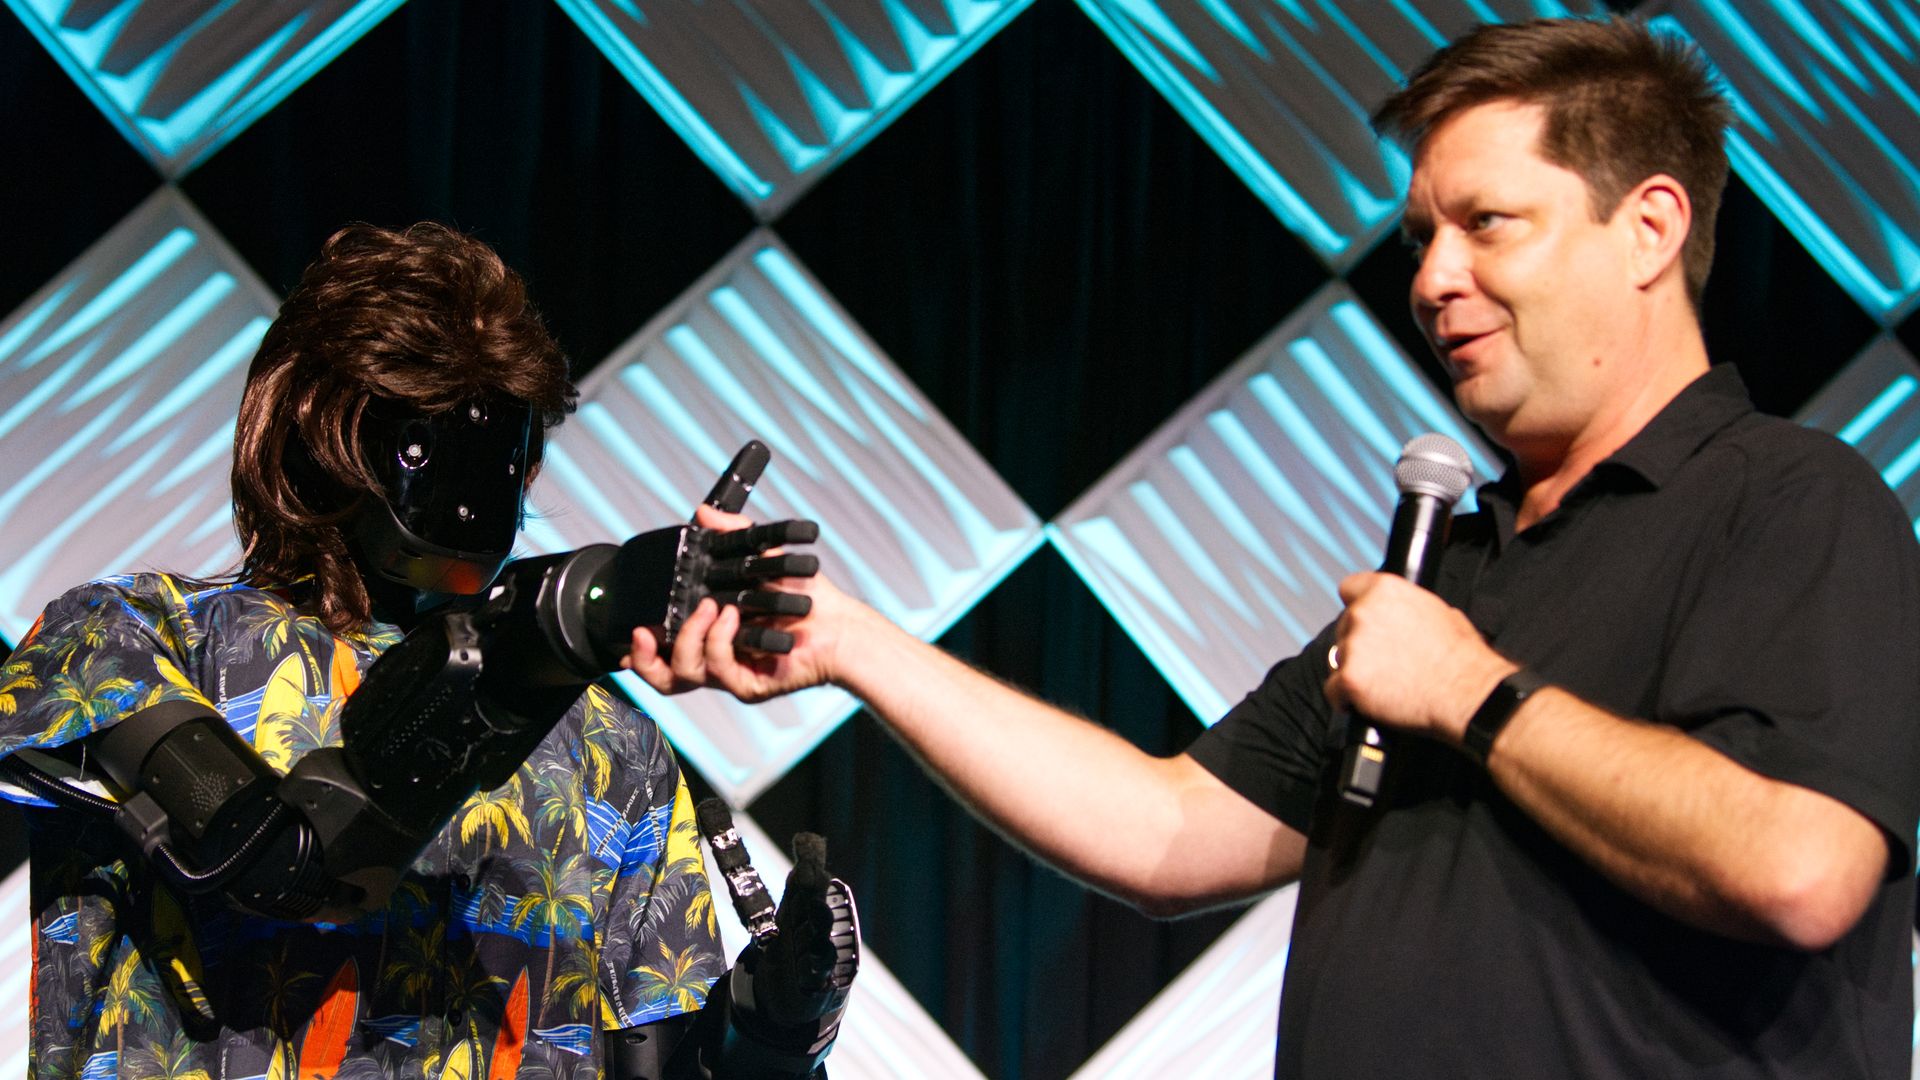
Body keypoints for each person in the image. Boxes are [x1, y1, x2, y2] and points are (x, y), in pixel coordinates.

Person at [631, 16, 1920, 1078]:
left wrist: (1469, 694)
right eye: (1423, 240)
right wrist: (852, 642)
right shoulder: (1454, 572)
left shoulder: (1791, 502)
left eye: (1488, 224)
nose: (1432, 279)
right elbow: (1166, 829)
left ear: (1648, 228)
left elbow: (1800, 863)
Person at [0, 223, 739, 1079]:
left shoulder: (614, 749)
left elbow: (656, 1055)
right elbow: (277, 861)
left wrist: (771, 1038)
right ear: (323, 430)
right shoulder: (130, 637)